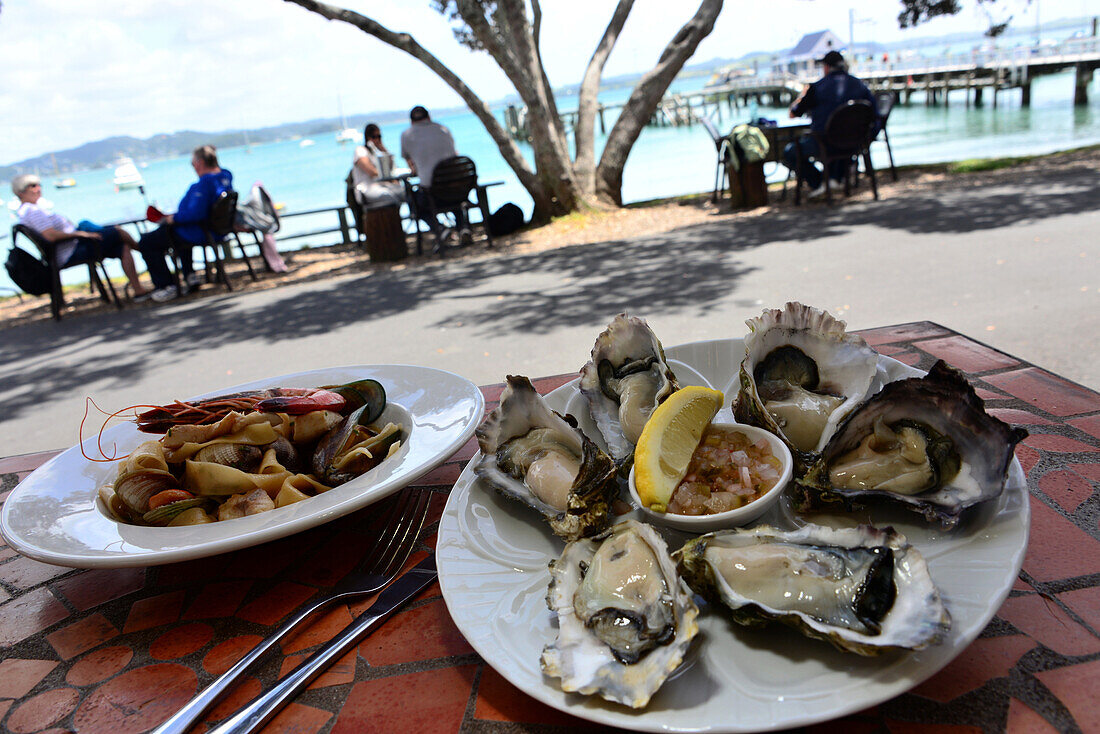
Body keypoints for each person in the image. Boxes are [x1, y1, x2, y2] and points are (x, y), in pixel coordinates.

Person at [10, 174, 150, 300]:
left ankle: (139, 289)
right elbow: (51, 236)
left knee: (122, 246)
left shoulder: (28, 210)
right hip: (70, 251)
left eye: (39, 185)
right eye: (33, 186)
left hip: (71, 247)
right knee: (118, 232)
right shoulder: (32, 211)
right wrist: (81, 234)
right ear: (20, 192)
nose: (38, 188)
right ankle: (146, 251)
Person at [137, 145, 233, 302]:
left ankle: (166, 286)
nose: (193, 167)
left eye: (193, 163)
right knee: (175, 233)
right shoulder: (225, 176)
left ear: (200, 163)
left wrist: (173, 218)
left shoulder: (204, 184)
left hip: (201, 231)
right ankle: (189, 275)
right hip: (216, 229)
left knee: (147, 241)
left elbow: (196, 213)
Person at [783, 50, 876, 199]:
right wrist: (868, 138)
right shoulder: (859, 85)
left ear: (826, 67)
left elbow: (793, 114)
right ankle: (834, 178)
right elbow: (874, 114)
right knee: (838, 140)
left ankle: (820, 182)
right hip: (855, 143)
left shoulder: (817, 87)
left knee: (790, 152)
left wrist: (802, 94)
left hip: (824, 142)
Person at [399, 105, 469, 250]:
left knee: (414, 202)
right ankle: (463, 227)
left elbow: (411, 164)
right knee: (449, 187)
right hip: (459, 190)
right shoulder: (443, 130)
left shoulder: (406, 135)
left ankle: (439, 228)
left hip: (433, 195)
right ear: (429, 117)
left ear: (411, 121)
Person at [351, 123, 404, 209]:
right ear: (368, 138)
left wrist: (383, 149)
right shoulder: (360, 151)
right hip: (366, 189)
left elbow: (390, 168)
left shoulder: (377, 153)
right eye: (374, 137)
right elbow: (371, 171)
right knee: (390, 197)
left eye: (379, 137)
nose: (377, 140)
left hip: (381, 185)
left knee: (404, 193)